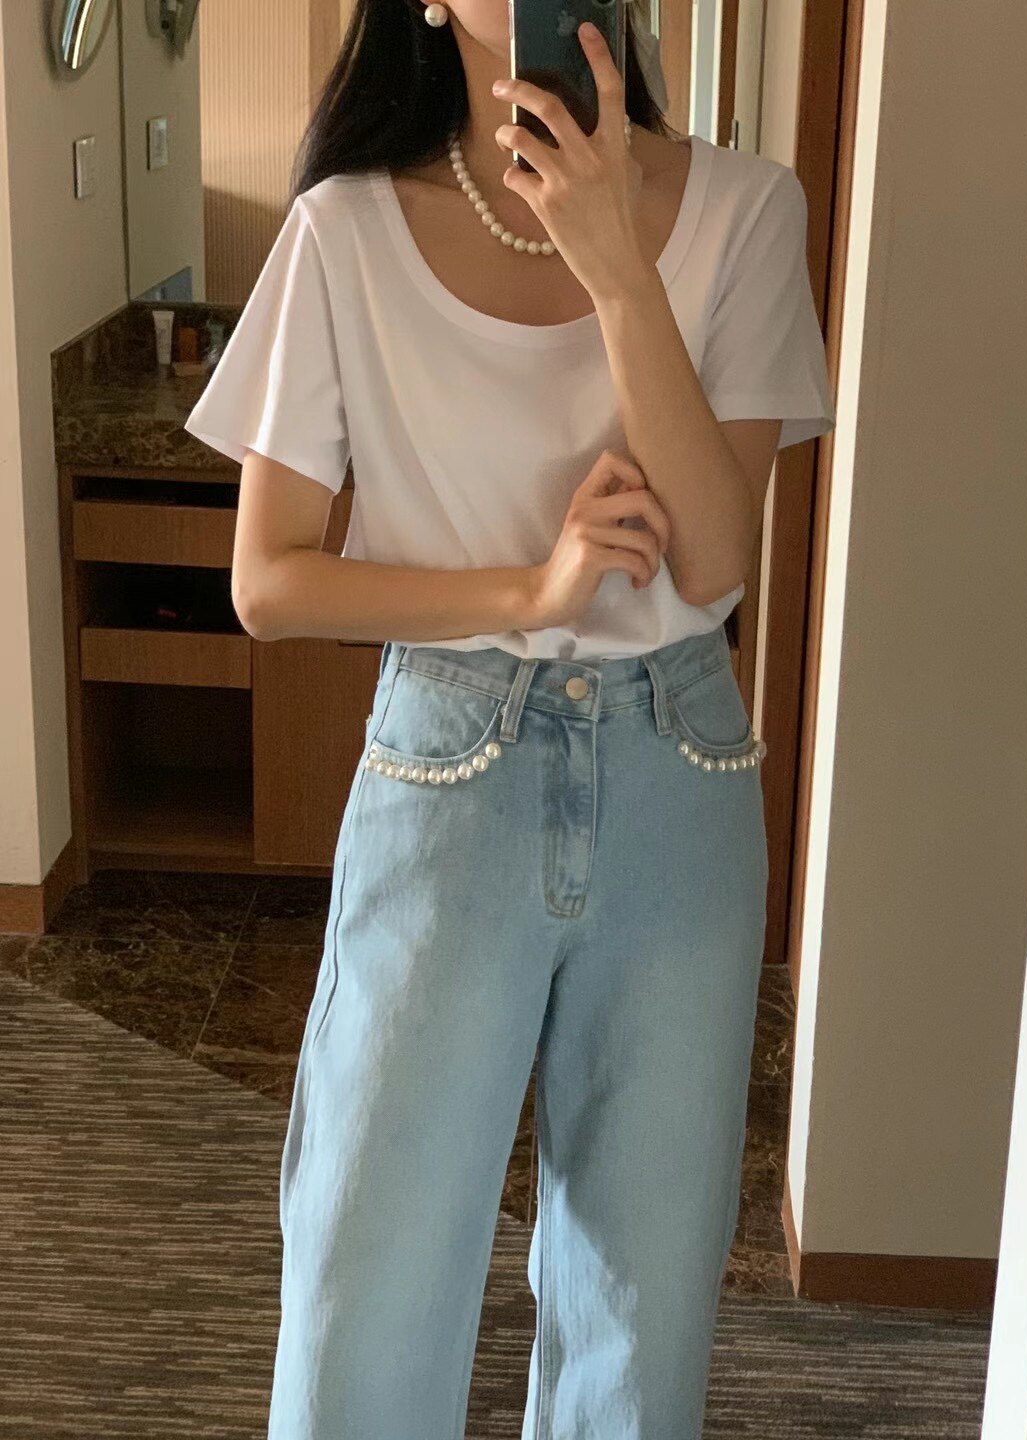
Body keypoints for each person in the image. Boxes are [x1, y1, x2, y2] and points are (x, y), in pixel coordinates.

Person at [184, 2, 835, 1434]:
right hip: (448, 763)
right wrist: (530, 591)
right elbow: (268, 580)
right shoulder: (347, 231)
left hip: (679, 766)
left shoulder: (746, 209)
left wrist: (617, 267)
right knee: (369, 1279)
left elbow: (714, 560)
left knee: (641, 1309)